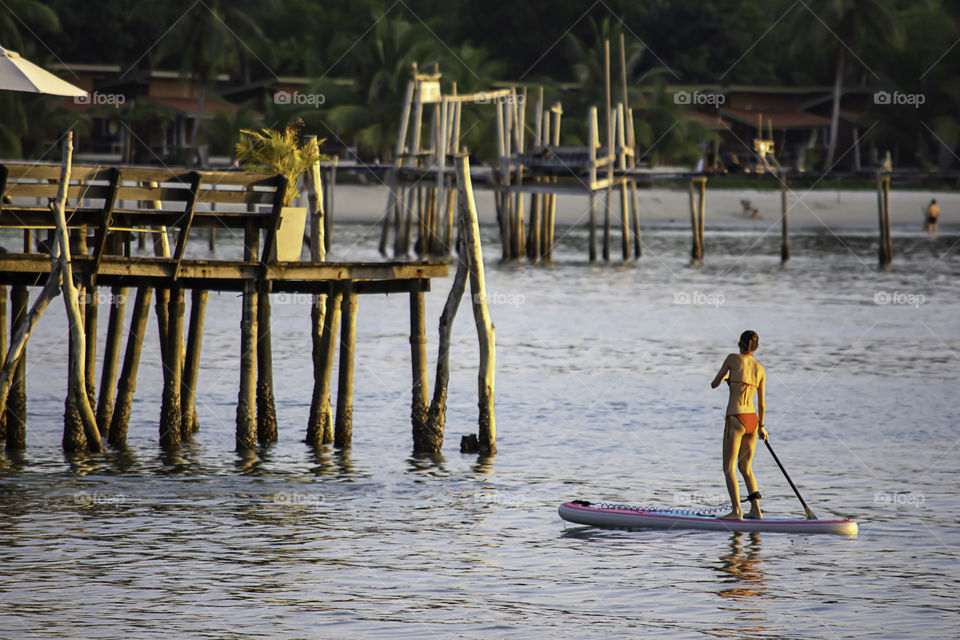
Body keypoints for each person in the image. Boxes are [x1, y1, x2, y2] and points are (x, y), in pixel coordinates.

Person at [710, 330, 767, 520]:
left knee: (729, 468)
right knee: (746, 468)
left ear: (739, 345)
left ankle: (736, 512)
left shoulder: (732, 359)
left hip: (736, 417)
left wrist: (727, 378)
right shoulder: (760, 369)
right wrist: (762, 427)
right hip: (753, 420)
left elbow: (714, 383)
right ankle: (756, 511)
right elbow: (762, 404)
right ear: (755, 348)